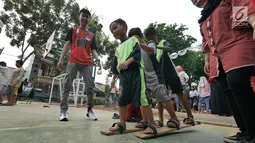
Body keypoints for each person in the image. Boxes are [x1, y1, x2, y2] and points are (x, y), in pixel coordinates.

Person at [192, 0, 255, 142]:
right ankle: (244, 131)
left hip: (238, 43)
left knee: (237, 82)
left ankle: (253, 131)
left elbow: (243, 5)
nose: (195, 1)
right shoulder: (203, 17)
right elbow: (206, 43)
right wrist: (207, 60)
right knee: (226, 89)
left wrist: (254, 22)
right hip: (218, 55)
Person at [109, 19, 158, 134]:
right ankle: (122, 123)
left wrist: (128, 62)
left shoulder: (133, 40)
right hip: (123, 76)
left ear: (123, 26)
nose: (114, 31)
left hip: (136, 73)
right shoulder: (117, 49)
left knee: (143, 98)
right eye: (112, 31)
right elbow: (115, 66)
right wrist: (113, 79)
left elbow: (137, 53)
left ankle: (151, 124)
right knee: (122, 99)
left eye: (115, 28)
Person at [131, 27, 180, 129]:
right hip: (144, 78)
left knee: (163, 98)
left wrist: (140, 43)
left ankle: (174, 118)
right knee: (143, 100)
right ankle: (145, 120)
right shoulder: (137, 49)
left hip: (155, 77)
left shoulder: (150, 44)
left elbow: (152, 51)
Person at [57, 8, 100, 121]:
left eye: (87, 16)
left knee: (90, 87)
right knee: (67, 85)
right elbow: (67, 44)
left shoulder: (91, 35)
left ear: (89, 19)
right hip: (73, 61)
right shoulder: (73, 30)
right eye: (83, 15)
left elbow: (94, 50)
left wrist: (98, 59)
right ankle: (64, 111)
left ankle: (90, 110)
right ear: (79, 17)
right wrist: (61, 59)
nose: (85, 18)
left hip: (87, 63)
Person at [156, 40, 195, 125]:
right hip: (161, 75)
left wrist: (157, 47)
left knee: (180, 94)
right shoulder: (150, 48)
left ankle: (190, 116)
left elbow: (169, 48)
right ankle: (160, 120)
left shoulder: (162, 42)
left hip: (171, 73)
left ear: (155, 36)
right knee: (160, 98)